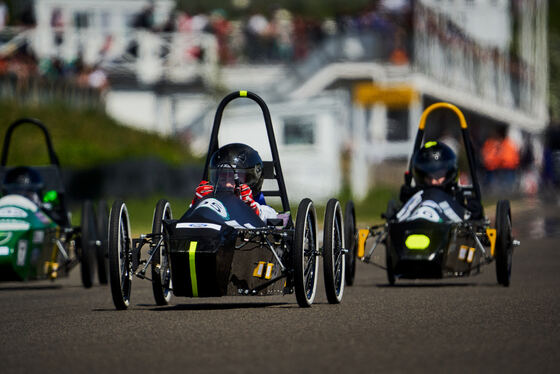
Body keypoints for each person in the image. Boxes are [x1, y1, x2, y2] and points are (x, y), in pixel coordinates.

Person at [396, 141, 481, 223]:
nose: (433, 181)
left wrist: (474, 213)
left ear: (449, 173)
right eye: (428, 176)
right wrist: (407, 200)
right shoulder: (415, 197)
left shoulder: (457, 197)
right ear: (421, 175)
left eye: (438, 175)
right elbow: (395, 219)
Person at [192, 143, 277, 221]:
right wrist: (198, 204)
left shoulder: (262, 208)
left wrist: (252, 209)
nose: (228, 184)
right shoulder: (212, 202)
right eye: (223, 179)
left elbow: (272, 217)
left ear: (251, 178)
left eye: (234, 179)